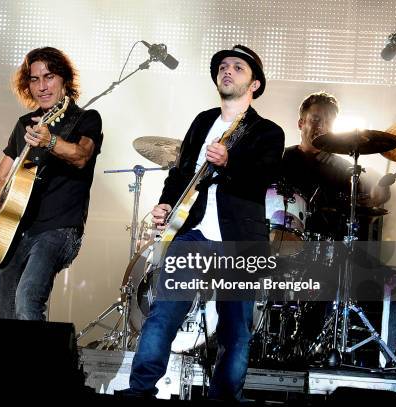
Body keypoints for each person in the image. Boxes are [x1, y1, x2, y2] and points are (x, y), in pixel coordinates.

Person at [122, 45, 285, 400]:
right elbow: (180, 173)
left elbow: (263, 178)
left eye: (238, 68)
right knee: (163, 312)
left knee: (234, 328)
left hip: (239, 238)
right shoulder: (202, 121)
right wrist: (166, 204)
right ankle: (139, 391)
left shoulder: (267, 132)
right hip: (191, 232)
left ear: (254, 83)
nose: (227, 71)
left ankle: (224, 398)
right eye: (223, 66)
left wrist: (229, 163)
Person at [0, 47, 103, 321]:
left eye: (49, 77)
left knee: (27, 299)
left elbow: (81, 156)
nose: (42, 86)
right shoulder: (24, 124)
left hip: (60, 229)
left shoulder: (85, 119)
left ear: (64, 80)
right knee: (1, 312)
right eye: (34, 79)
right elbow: (0, 174)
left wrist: (51, 141)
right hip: (15, 229)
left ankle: (36, 364)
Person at [279, 91, 390, 241]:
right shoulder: (280, 158)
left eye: (328, 122)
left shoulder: (344, 169)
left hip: (326, 251)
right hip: (280, 241)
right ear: (301, 123)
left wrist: (377, 194)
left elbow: (363, 214)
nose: (322, 127)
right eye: (315, 119)